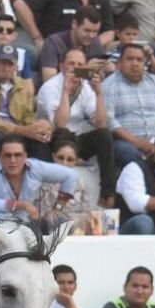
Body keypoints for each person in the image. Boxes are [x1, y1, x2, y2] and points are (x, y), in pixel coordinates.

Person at [37, 48, 115, 204]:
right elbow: (60, 123)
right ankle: (73, 160)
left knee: (104, 135)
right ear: (61, 66)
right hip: (51, 138)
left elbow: (100, 123)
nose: (75, 68)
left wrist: (99, 93)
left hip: (76, 139)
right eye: (71, 64)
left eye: (80, 64)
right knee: (63, 131)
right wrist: (66, 91)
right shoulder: (50, 87)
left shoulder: (86, 86)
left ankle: (107, 194)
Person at [102, 42, 155, 166]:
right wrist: (139, 143)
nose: (135, 63)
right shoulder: (108, 85)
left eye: (139, 60)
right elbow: (109, 121)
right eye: (130, 59)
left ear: (145, 63)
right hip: (128, 142)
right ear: (120, 63)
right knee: (125, 150)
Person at [0, 133, 78, 221]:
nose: (13, 160)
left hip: (25, 224)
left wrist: (57, 209)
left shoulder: (34, 167)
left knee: (60, 223)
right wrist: (22, 205)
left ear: (25, 156)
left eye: (18, 155)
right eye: (8, 155)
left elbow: (70, 175)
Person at [38, 6, 107, 82]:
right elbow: (49, 79)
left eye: (95, 32)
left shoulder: (94, 42)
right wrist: (85, 70)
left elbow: (98, 76)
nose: (91, 36)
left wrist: (105, 69)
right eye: (87, 30)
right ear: (74, 24)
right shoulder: (53, 43)